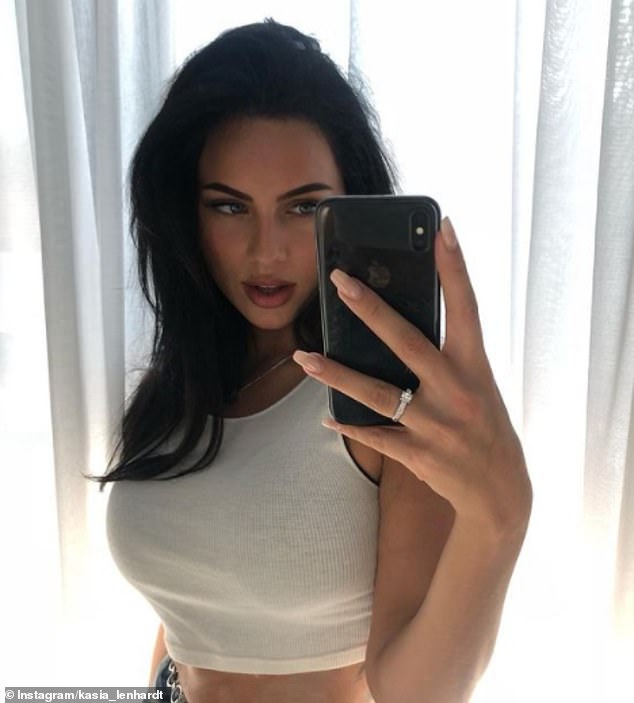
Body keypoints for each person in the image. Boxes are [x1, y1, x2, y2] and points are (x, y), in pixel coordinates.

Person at [98, 19, 532, 703]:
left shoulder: (384, 397)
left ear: (349, 205)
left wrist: (501, 515)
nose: (265, 251)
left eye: (303, 207)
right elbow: (190, 614)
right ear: (185, 213)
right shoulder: (178, 386)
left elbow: (416, 692)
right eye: (229, 206)